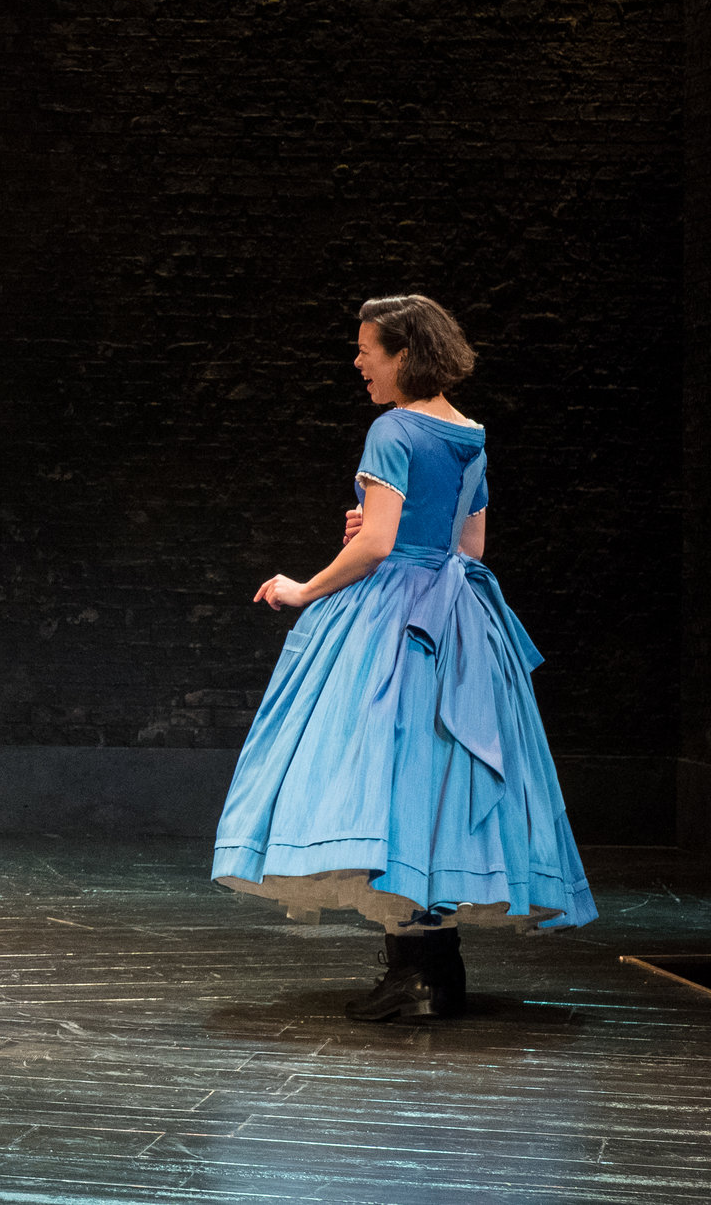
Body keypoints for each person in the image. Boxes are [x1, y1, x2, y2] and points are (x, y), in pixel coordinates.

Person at [213, 295, 595, 1022]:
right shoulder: (471, 433)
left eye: (369, 350)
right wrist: (386, 525)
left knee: (383, 777)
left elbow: (379, 546)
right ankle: (434, 970)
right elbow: (470, 548)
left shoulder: (392, 428)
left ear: (405, 354)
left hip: (396, 616)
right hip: (460, 615)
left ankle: (413, 971)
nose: (359, 362)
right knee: (442, 781)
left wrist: (305, 587)